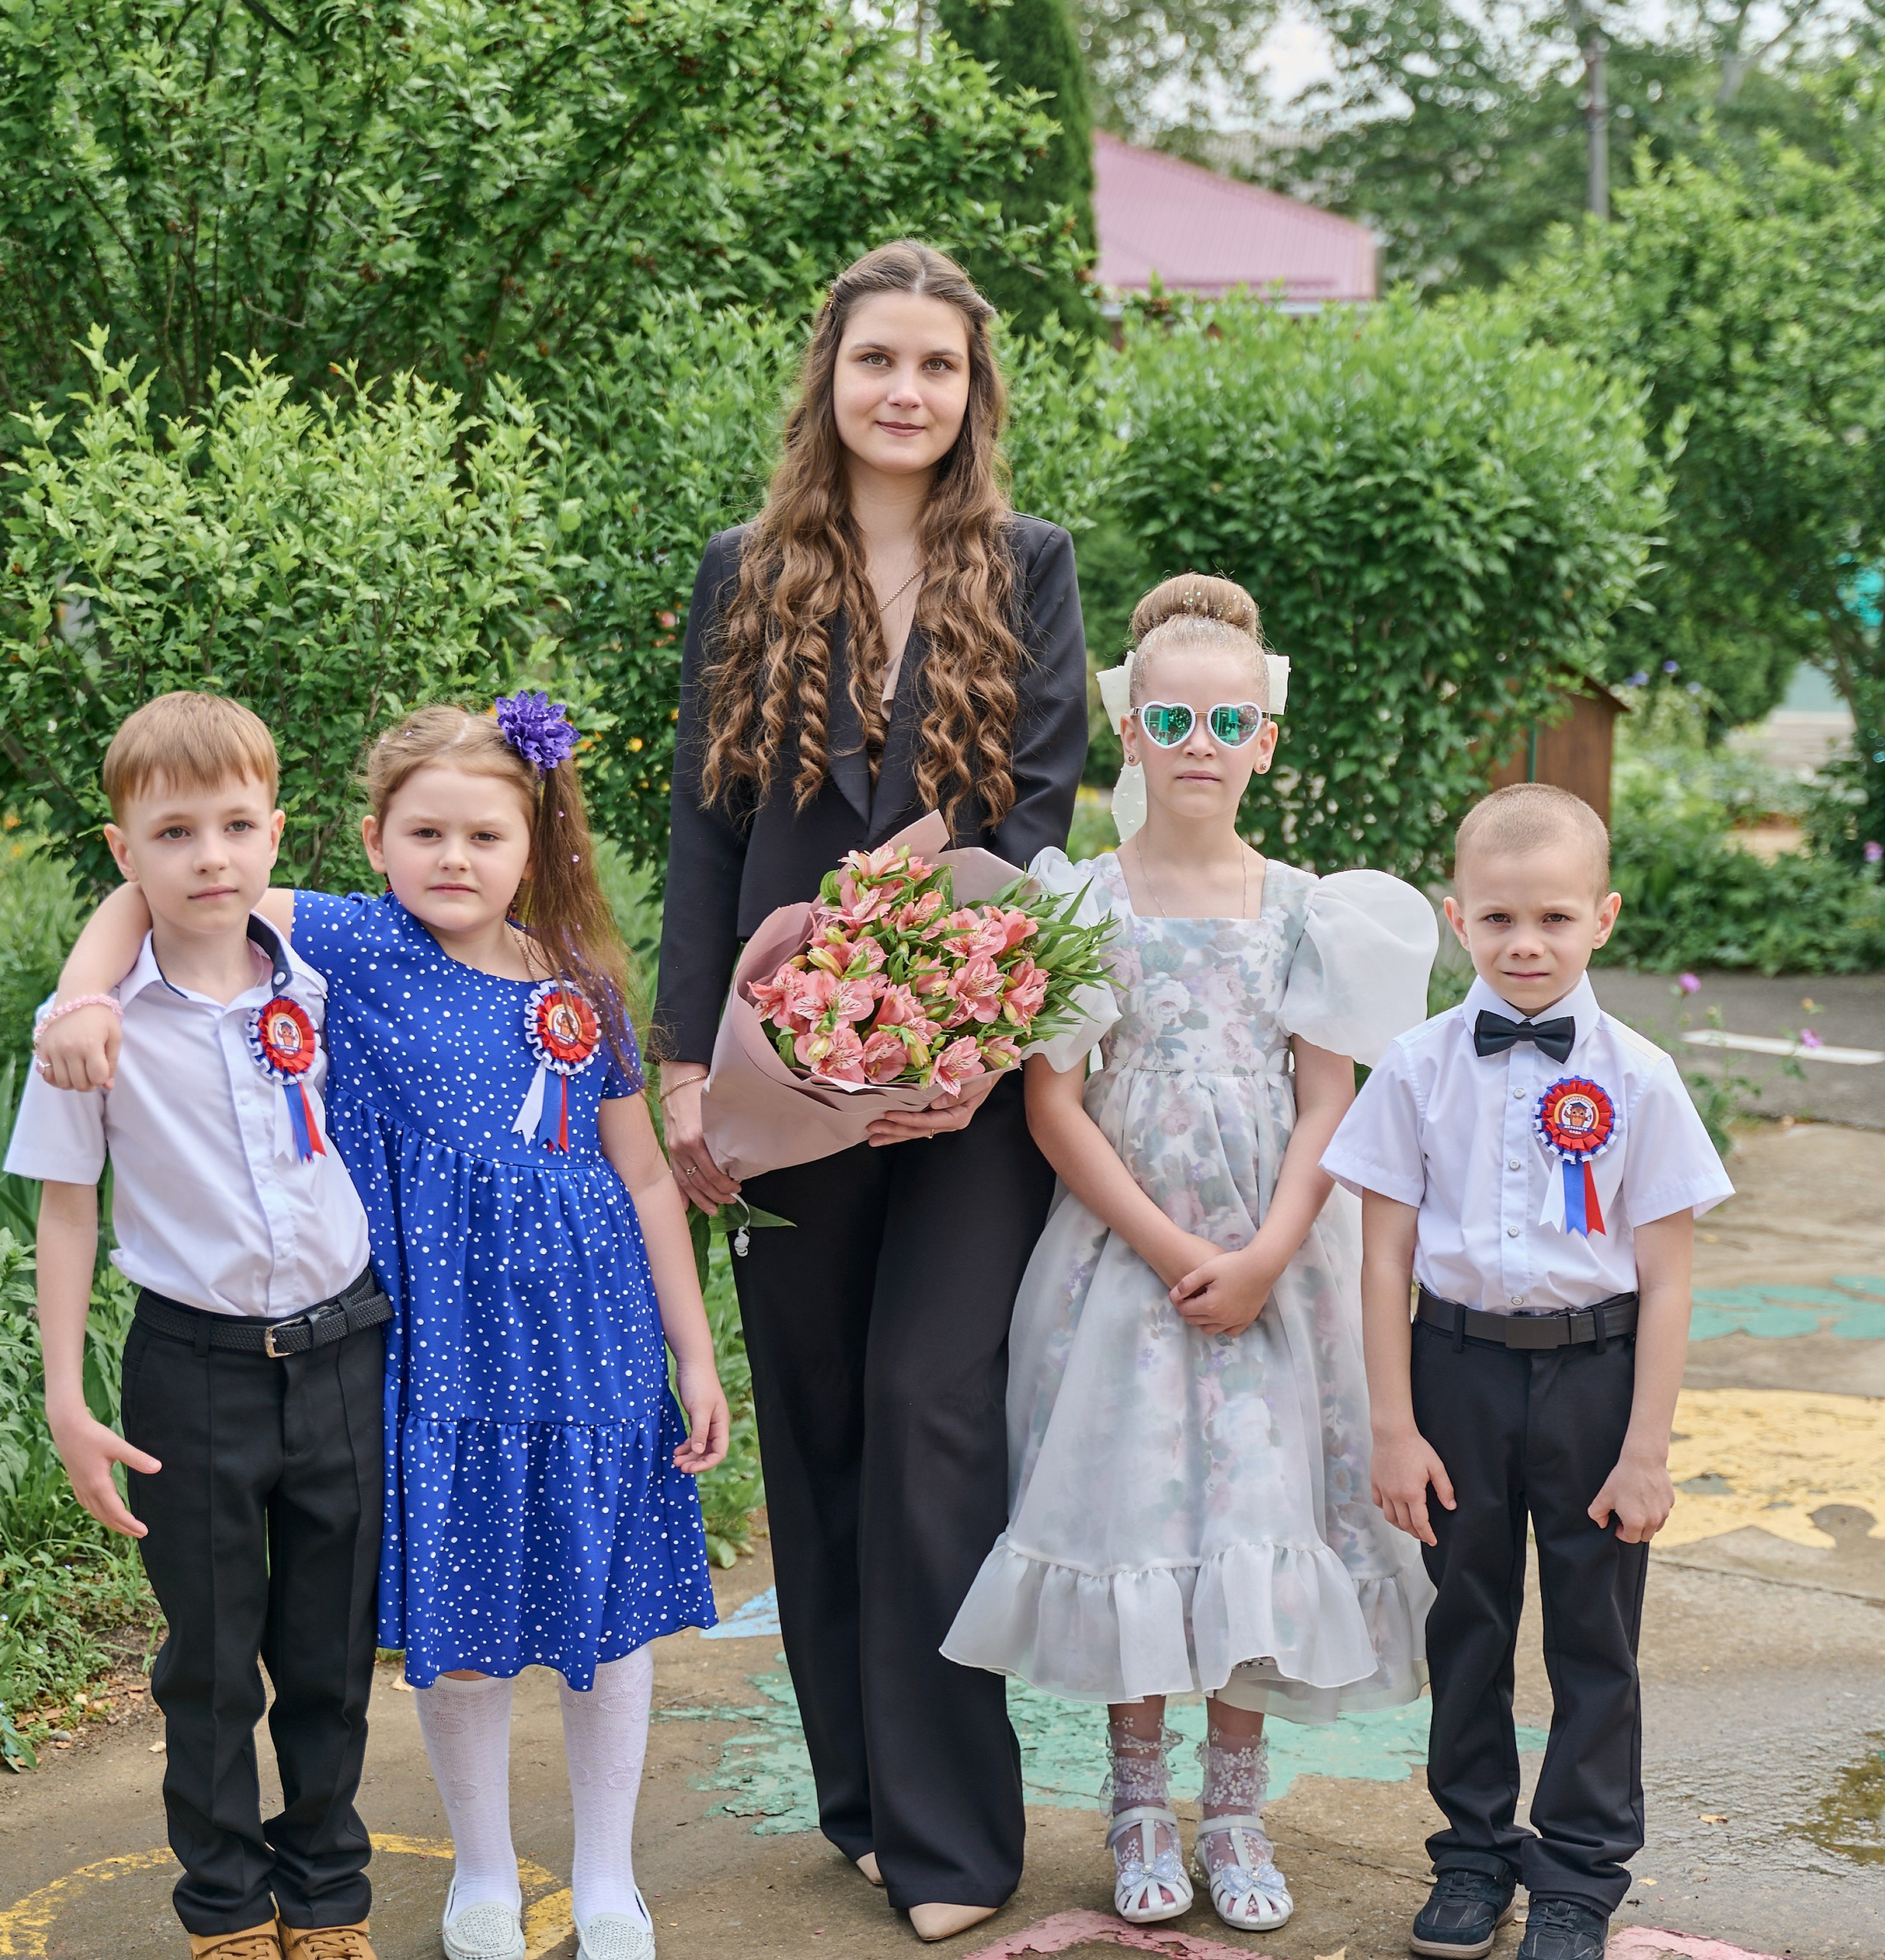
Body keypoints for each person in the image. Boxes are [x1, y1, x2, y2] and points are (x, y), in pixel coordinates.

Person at [37, 696, 728, 1960]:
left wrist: (693, 1350)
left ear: (536, 847)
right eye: (426, 834)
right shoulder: (350, 946)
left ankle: (610, 1873)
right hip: (437, 1349)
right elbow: (158, 883)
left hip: (595, 1343)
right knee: (460, 1615)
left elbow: (642, 1179)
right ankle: (478, 1876)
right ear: (372, 841)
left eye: (484, 836)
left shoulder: (585, 991)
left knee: (604, 1603)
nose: (454, 860)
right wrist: (84, 996)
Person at [654, 240, 1087, 1942]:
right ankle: (859, 1797)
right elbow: (706, 828)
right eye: (874, 362)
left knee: (926, 1410)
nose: (903, 390)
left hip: (965, 1082)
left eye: (936, 366)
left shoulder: (1027, 566)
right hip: (782, 1081)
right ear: (825, 381)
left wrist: (954, 1038)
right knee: (820, 1422)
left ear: (974, 395)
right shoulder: (743, 568)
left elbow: (1037, 823)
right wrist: (693, 1065)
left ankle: (954, 1838)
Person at [942, 574, 1439, 1933]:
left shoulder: (1311, 908)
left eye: (1231, 718)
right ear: (1133, 729)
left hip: (1278, 1260)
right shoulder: (1079, 900)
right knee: (1138, 1514)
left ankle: (1235, 1803)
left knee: (1257, 1522)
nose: (1203, 742)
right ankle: (1138, 1800)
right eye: (1176, 718)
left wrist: (1273, 1252)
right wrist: (1171, 1248)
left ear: (1266, 737)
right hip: (1125, 1262)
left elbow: (1327, 1094)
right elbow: (1054, 1102)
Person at [1320, 782, 1733, 1960]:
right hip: (1454, 1373)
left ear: (1603, 917)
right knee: (1468, 1622)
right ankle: (1472, 1856)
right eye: (1499, 919)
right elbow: (1382, 1254)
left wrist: (1646, 1447)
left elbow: (1668, 1275)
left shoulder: (1642, 1077)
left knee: (1594, 1638)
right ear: (1459, 920)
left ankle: (1579, 1876)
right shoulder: (1414, 1066)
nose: (1527, 944)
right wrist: (1392, 1426)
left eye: (1554, 917)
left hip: (1598, 1382)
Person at [7, 691, 386, 1960]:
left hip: (343, 1353)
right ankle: (224, 1910)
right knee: (212, 1664)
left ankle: (327, 1900)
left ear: (277, 836)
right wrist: (68, 1398)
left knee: (329, 1658)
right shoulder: (85, 1036)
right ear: (126, 855)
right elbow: (68, 1216)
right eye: (173, 833)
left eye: (235, 825)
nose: (209, 855)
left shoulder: (327, 980)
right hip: (194, 1372)